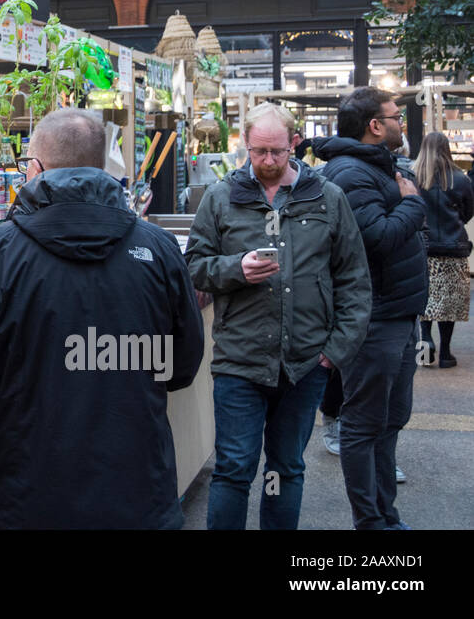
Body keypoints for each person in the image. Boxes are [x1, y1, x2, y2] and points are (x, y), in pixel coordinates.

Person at [0, 108, 204, 529]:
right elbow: (182, 366)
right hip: (138, 490)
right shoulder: (158, 248)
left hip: (30, 495)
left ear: (36, 167)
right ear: (101, 167)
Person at [187, 102, 371, 530]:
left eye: (277, 152)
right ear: (244, 145)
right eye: (258, 152)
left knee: (284, 470)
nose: (268, 161)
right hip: (240, 361)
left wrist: (333, 353)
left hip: (306, 364)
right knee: (234, 470)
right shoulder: (222, 196)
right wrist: (236, 269)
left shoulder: (327, 197)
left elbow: (355, 281)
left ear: (294, 144)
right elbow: (195, 265)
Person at [310, 87, 428, 530]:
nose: (402, 123)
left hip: (397, 314)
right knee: (363, 425)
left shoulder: (376, 168)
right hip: (373, 320)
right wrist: (414, 204)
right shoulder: (350, 174)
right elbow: (375, 239)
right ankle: (372, 522)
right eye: (395, 116)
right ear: (375, 126)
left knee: (392, 419)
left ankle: (386, 516)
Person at [413, 131, 473, 369]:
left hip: (422, 248)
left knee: (424, 297)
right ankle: (446, 354)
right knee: (449, 302)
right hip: (454, 247)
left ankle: (425, 344)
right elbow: (469, 210)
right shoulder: (460, 178)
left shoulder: (414, 177)